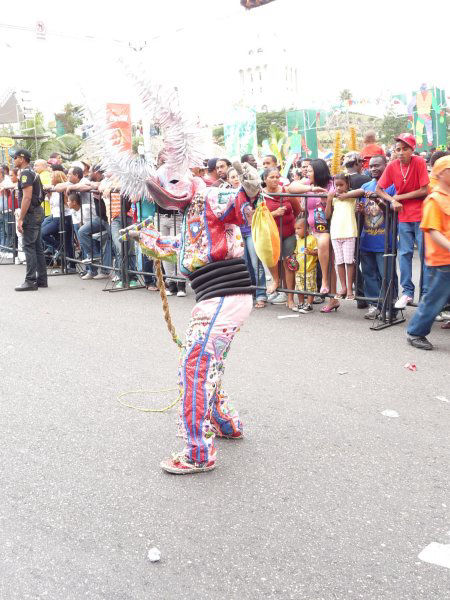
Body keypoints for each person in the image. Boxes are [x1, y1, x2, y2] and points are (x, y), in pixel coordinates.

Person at [127, 161, 260, 474]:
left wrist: (249, 189)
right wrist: (147, 239)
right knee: (207, 363)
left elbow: (239, 204)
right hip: (219, 298)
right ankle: (226, 422)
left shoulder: (210, 197)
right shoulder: (189, 212)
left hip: (224, 296)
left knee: (195, 366)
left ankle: (198, 453)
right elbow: (185, 249)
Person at [376, 133, 430, 309]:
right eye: (398, 149)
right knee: (405, 254)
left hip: (422, 215)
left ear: (412, 149)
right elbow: (379, 189)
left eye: (405, 149)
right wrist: (392, 200)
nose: (400, 152)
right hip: (404, 216)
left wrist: (399, 196)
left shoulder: (419, 162)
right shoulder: (392, 166)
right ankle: (407, 292)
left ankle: (426, 294)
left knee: (424, 256)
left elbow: (424, 190)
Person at [340, 156, 398, 319]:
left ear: (385, 166)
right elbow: (363, 209)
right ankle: (375, 305)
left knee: (387, 275)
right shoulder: (365, 185)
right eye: (371, 166)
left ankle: (391, 307)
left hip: (385, 241)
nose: (373, 168)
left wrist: (378, 201)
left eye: (377, 165)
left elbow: (393, 211)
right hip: (366, 240)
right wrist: (360, 210)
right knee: (369, 275)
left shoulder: (393, 186)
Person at [406, 155, 450, 350]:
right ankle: (416, 332)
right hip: (441, 260)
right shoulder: (434, 200)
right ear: (441, 174)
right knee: (434, 298)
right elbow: (432, 230)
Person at [288, 159, 338, 312]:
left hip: (328, 229)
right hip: (312, 230)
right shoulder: (308, 183)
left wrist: (328, 199)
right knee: (308, 264)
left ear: (319, 171)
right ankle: (323, 294)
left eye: (310, 171)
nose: (307, 173)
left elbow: (331, 210)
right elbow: (291, 187)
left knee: (329, 264)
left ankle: (329, 291)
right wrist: (312, 188)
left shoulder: (332, 184)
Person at [262, 167, 298, 308]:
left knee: (289, 264)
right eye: (272, 177)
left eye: (277, 176)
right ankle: (276, 281)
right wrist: (275, 213)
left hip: (288, 234)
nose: (275, 179)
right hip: (271, 235)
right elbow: (257, 217)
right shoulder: (261, 195)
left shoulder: (286, 191)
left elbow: (298, 209)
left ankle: (290, 298)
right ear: (265, 179)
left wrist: (291, 222)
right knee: (274, 261)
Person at [13, 149, 47, 291]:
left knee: (29, 246)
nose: (14, 160)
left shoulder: (26, 173)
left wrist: (21, 218)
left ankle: (30, 280)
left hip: (32, 213)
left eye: (15, 158)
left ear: (22, 158)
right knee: (37, 247)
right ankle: (41, 279)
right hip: (37, 211)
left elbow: (27, 197)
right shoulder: (32, 172)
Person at [327, 174, 357, 300]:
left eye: (341, 185)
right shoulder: (333, 198)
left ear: (347, 185)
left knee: (349, 261)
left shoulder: (352, 197)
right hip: (335, 233)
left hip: (349, 233)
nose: (338, 188)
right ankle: (343, 287)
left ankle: (350, 288)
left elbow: (361, 191)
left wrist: (346, 195)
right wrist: (329, 200)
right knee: (339, 261)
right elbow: (327, 216)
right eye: (336, 185)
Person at [41, 170, 74, 261]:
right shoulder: (53, 189)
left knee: (67, 241)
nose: (50, 178)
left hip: (64, 216)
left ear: (57, 178)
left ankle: (71, 263)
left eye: (52, 177)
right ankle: (61, 250)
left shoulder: (62, 189)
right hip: (55, 216)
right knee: (45, 234)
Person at [292, 217, 318, 312]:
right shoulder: (299, 240)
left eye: (299, 228)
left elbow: (317, 252)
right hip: (299, 269)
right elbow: (296, 252)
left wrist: (311, 252)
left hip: (309, 268)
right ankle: (301, 303)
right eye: (295, 229)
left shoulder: (312, 239)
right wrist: (292, 258)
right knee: (299, 288)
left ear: (307, 228)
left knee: (310, 287)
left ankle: (309, 304)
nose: (296, 231)